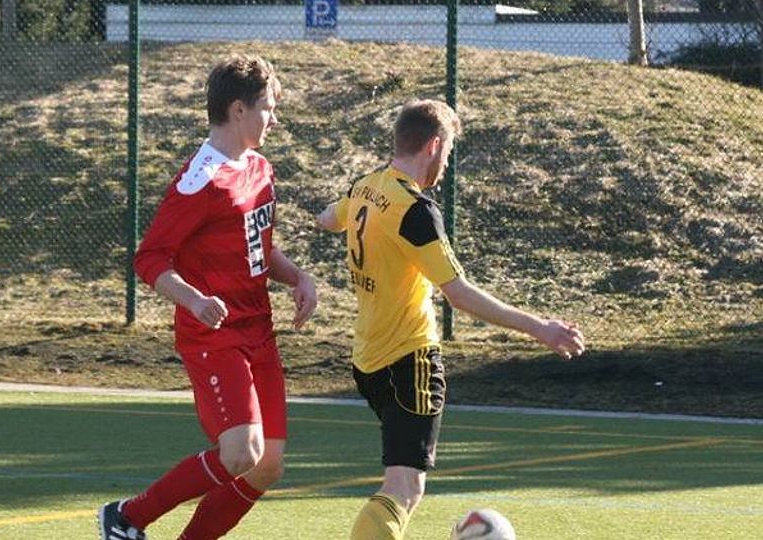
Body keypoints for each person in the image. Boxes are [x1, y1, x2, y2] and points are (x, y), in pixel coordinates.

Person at [317, 99, 585, 540]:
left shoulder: (366, 186)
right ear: (434, 146)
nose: (446, 163)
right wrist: (541, 328)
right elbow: (459, 295)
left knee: (401, 484)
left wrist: (322, 223)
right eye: (448, 152)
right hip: (410, 360)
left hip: (367, 360)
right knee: (404, 486)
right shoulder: (416, 210)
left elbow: (329, 217)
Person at [99, 54, 317, 540]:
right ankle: (127, 516)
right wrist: (193, 299)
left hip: (259, 331)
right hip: (213, 336)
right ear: (238, 110)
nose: (274, 118)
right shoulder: (199, 180)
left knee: (267, 466)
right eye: (268, 107)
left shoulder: (260, 169)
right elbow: (150, 258)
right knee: (241, 453)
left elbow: (259, 249)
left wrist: (299, 277)